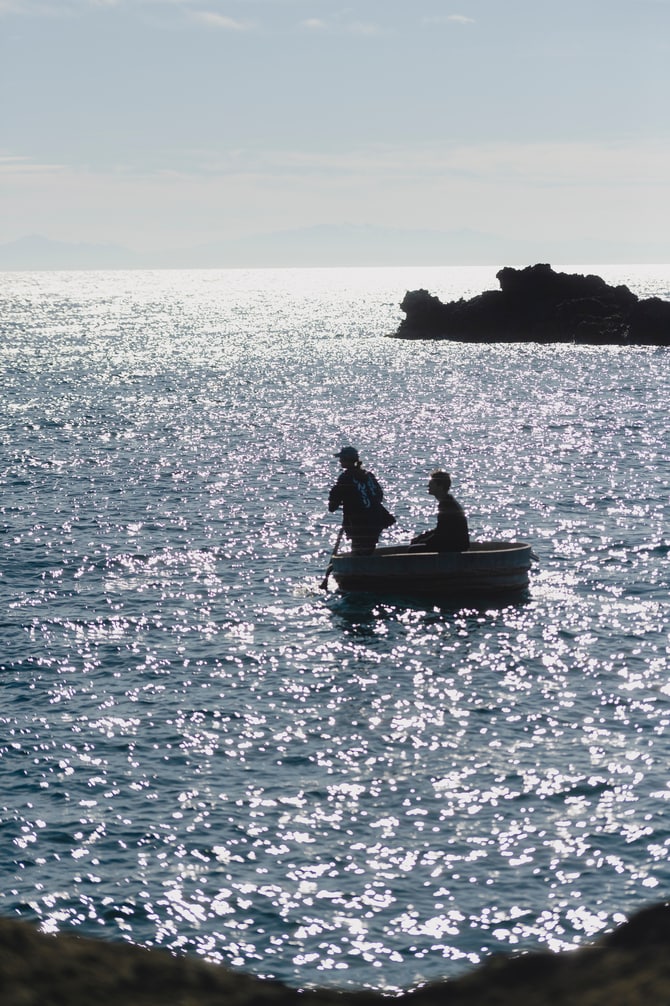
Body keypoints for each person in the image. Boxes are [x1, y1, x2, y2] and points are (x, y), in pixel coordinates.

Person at [328, 446, 395, 555]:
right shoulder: (369, 476)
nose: (339, 461)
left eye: (341, 458)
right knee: (369, 548)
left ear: (346, 460)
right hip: (376, 519)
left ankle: (361, 568)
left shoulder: (345, 478)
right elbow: (379, 496)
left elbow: (332, 506)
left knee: (359, 550)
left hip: (359, 524)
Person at [410, 469, 470, 552]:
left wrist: (422, 541)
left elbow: (441, 535)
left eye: (432, 484)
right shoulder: (447, 501)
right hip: (453, 543)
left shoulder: (447, 505)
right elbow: (440, 530)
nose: (428, 486)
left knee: (413, 550)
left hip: (455, 546)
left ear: (440, 487)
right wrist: (421, 538)